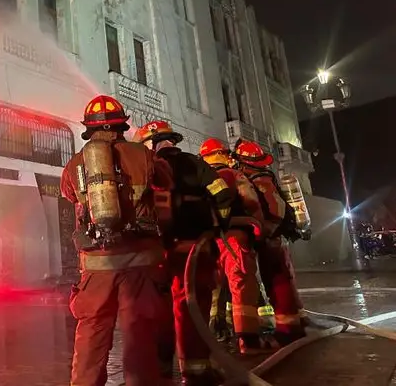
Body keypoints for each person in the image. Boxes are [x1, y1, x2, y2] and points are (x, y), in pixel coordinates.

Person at [60, 95, 174, 386]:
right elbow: (166, 181)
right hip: (139, 263)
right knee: (139, 332)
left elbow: (69, 194)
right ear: (121, 125)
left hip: (97, 265)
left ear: (90, 129)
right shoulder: (143, 156)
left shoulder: (75, 164)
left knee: (91, 331)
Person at [136, 121, 235, 385]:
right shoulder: (195, 163)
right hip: (196, 248)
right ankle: (196, 370)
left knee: (159, 310)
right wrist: (218, 226)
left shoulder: (148, 168)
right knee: (193, 308)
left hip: (158, 252)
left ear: (151, 143)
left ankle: (160, 371)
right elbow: (223, 195)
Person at [198, 138, 272, 354]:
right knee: (242, 287)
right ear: (221, 154)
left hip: (207, 242)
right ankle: (248, 341)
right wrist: (258, 228)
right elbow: (252, 204)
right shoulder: (233, 175)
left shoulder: (198, 177)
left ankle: (216, 328)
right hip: (234, 240)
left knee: (213, 286)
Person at [233, 139, 307, 344]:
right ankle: (296, 323)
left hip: (270, 238)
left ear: (242, 161)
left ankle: (288, 330)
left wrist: (263, 232)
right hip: (275, 237)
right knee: (282, 279)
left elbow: (271, 210)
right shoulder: (265, 177)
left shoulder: (257, 180)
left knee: (277, 282)